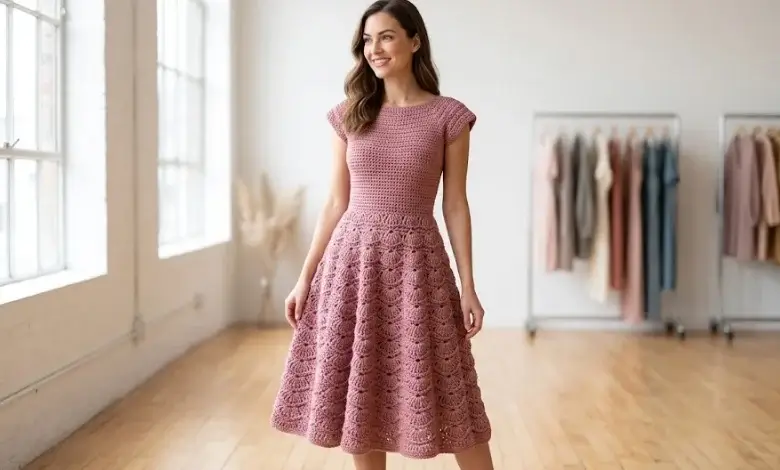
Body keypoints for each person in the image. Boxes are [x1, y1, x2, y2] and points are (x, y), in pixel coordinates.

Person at [270, 0, 494, 468]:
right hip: (353, 265)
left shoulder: (448, 117)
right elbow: (335, 202)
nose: (375, 49)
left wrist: (469, 286)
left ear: (414, 41)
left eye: (387, 36)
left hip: (419, 266)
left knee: (454, 395)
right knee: (361, 393)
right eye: (368, 40)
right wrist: (304, 277)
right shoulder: (349, 114)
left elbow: (455, 203)